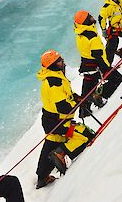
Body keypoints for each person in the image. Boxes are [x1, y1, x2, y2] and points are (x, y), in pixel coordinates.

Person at [35, 50, 95, 189]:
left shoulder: (56, 76)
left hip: (56, 121)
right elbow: (63, 107)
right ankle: (60, 153)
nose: (63, 62)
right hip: (57, 122)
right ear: (53, 65)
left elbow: (66, 95)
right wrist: (77, 104)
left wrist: (76, 97)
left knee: (51, 144)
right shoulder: (54, 82)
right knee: (84, 137)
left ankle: (42, 176)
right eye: (60, 61)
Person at [74, 10, 122, 117]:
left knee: (87, 88)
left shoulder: (80, 34)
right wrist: (106, 68)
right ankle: (98, 96)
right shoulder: (92, 36)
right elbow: (99, 55)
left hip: (86, 65)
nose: (92, 16)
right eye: (89, 16)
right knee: (117, 78)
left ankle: (84, 112)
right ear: (86, 21)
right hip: (94, 65)